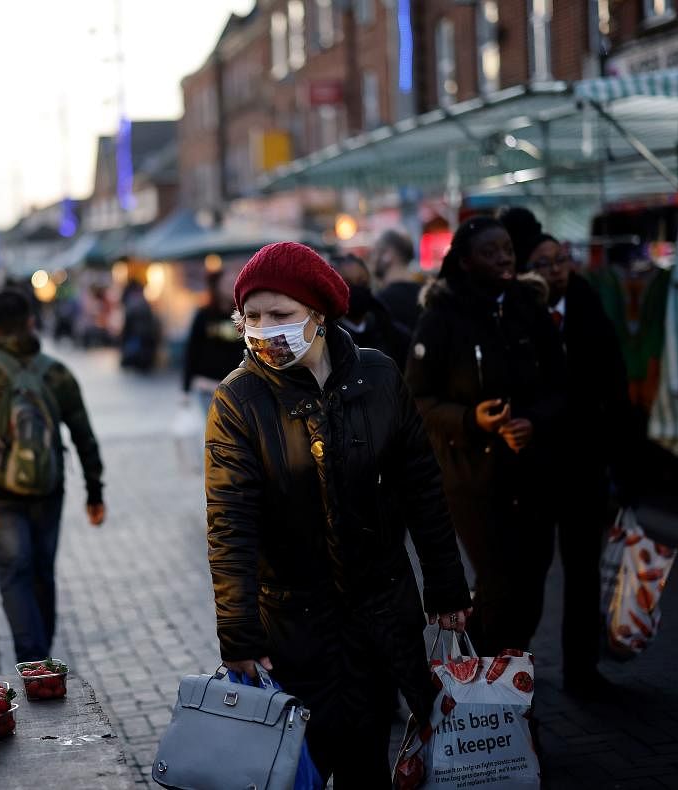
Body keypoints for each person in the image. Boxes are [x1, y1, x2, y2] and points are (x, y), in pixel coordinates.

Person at [205, 241, 472, 784]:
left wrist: (446, 586)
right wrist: (238, 632)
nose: (263, 329)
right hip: (291, 628)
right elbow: (230, 523)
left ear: (318, 314)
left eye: (280, 315)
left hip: (378, 617)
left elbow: (422, 487)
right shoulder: (239, 399)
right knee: (296, 766)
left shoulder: (378, 377)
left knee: (368, 760)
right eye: (251, 316)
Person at [405, 216, 566, 657]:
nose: (504, 258)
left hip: (531, 473)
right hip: (472, 478)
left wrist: (532, 420)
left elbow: (561, 385)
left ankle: (510, 673)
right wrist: (473, 419)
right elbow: (418, 399)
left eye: (508, 249)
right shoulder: (440, 318)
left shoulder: (529, 308)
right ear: (464, 261)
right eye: (490, 251)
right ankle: (488, 682)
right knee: (498, 584)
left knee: (533, 581)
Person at [0, 289, 106, 661]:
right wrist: (94, 492)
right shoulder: (57, 373)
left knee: (14, 573)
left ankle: (30, 659)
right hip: (49, 489)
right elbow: (84, 437)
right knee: (41, 573)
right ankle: (42, 657)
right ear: (31, 323)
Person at [519, 232, 636, 697]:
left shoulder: (587, 310)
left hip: (584, 467)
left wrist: (623, 468)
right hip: (533, 470)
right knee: (528, 576)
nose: (555, 269)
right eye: (543, 261)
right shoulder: (519, 316)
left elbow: (615, 390)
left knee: (584, 572)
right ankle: (514, 674)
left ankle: (581, 670)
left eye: (561, 259)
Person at [333, 253, 410, 368]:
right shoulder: (328, 339)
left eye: (362, 282)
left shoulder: (392, 333)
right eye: (347, 284)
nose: (356, 289)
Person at [182, 270, 243, 414]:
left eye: (234, 284)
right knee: (214, 430)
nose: (231, 287)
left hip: (237, 386)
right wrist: (185, 388)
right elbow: (192, 349)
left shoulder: (242, 314)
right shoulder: (204, 314)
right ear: (217, 286)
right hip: (208, 385)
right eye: (227, 283)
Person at [372, 228, 423, 333]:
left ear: (388, 255)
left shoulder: (380, 302)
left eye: (375, 252)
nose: (372, 259)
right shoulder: (426, 295)